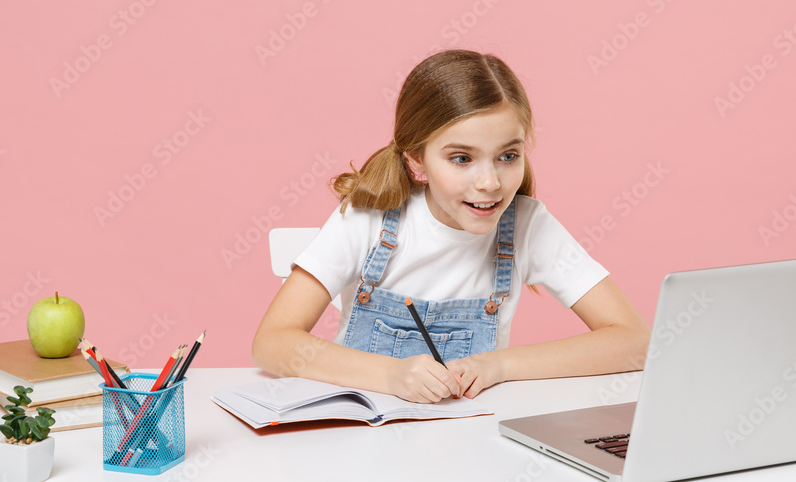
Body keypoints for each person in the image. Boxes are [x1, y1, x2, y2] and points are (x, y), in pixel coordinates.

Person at [252, 49, 650, 403]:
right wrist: (391, 375)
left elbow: (635, 342)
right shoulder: (367, 220)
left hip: (468, 445)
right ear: (417, 161)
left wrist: (500, 365)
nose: (490, 183)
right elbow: (272, 342)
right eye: (462, 159)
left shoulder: (527, 226)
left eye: (508, 156)